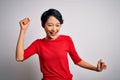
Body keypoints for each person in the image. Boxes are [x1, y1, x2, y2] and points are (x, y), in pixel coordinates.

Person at [16, 9, 107, 80]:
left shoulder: (67, 40)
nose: (54, 29)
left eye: (57, 25)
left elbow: (78, 61)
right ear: (43, 25)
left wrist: (96, 68)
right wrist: (23, 30)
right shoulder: (38, 44)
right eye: (50, 25)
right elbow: (19, 58)